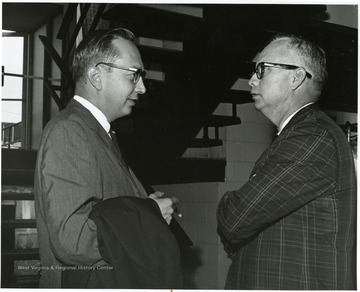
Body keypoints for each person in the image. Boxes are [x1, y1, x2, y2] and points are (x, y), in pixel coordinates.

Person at [34, 28, 181, 288]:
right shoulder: (69, 131)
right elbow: (73, 240)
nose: (143, 88)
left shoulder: (99, 132)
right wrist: (149, 214)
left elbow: (107, 211)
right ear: (96, 77)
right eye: (134, 75)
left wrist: (144, 206)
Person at [217, 34, 356, 290]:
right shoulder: (300, 133)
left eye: (262, 70)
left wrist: (228, 202)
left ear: (296, 77)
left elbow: (235, 219)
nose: (251, 80)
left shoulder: (312, 137)